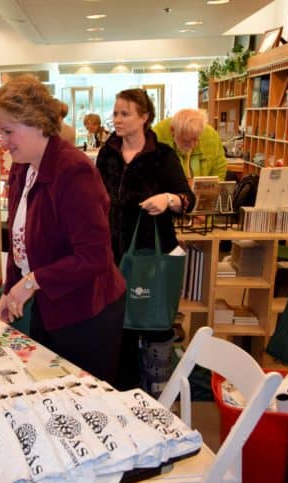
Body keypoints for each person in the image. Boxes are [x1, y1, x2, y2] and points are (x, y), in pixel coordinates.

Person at [0, 75, 126, 384]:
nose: (3, 142)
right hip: (50, 308)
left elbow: (94, 257)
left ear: (37, 123)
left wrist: (31, 282)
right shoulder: (23, 166)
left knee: (83, 397)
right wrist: (10, 289)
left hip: (87, 313)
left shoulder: (73, 170)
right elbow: (19, 242)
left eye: (8, 131)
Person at [96, 88, 196, 390]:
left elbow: (187, 199)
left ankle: (157, 397)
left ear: (144, 117)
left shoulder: (162, 156)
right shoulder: (107, 154)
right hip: (113, 256)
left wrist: (168, 199)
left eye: (125, 113)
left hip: (152, 255)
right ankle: (124, 395)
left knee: (153, 322)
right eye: (115, 113)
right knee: (120, 327)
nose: (117, 119)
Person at [153, 108, 228, 180]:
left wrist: (213, 187)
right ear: (173, 131)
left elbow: (219, 168)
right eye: (186, 141)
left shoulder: (211, 137)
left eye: (195, 139)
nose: (192, 145)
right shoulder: (156, 139)